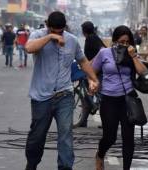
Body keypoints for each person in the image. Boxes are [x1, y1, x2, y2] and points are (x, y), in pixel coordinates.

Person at [24, 11, 99, 170]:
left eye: (60, 31)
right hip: (41, 97)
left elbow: (83, 60)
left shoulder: (71, 40)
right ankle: (31, 164)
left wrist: (94, 79)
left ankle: (65, 167)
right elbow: (29, 48)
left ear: (64, 27)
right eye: (53, 31)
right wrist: (50, 38)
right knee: (37, 136)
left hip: (64, 95)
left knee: (65, 135)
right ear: (47, 26)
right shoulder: (38, 35)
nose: (58, 34)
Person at [91, 25, 148, 170]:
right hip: (109, 101)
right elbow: (91, 70)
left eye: (127, 42)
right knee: (110, 137)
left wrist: (134, 56)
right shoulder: (104, 53)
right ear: (114, 41)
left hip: (127, 100)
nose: (124, 45)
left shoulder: (131, 54)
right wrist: (94, 82)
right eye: (121, 41)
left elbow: (143, 72)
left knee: (128, 139)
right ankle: (100, 154)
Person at [78, 21, 106, 127]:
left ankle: (106, 121)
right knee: (87, 94)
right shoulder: (92, 37)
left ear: (84, 30)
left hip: (98, 71)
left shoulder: (92, 38)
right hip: (94, 70)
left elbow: (102, 50)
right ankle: (83, 120)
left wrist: (91, 62)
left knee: (100, 96)